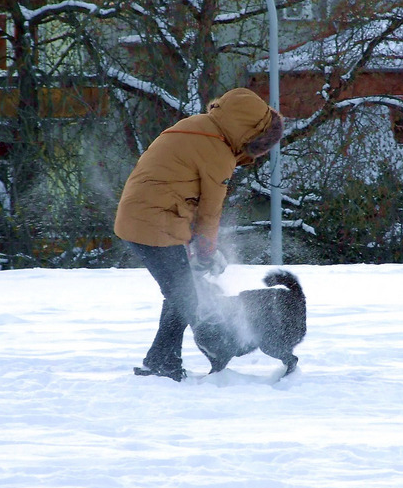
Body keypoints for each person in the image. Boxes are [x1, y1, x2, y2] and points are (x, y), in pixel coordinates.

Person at [114, 87, 284, 381]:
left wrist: (197, 243)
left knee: (180, 293)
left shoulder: (196, 127)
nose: (257, 152)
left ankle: (161, 361)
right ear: (248, 133)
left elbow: (178, 186)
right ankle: (213, 346)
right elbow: (209, 210)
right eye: (259, 145)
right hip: (154, 221)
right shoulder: (216, 149)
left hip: (145, 215)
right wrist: (207, 248)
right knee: (185, 294)